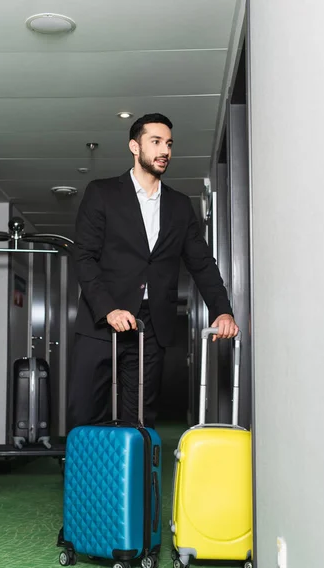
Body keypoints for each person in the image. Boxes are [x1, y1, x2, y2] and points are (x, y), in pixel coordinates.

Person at [67, 113, 238, 430]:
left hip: (151, 325)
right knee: (85, 413)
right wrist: (108, 309)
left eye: (169, 144)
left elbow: (201, 263)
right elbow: (84, 257)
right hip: (100, 322)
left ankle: (138, 480)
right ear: (135, 146)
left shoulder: (179, 205)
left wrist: (222, 310)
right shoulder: (102, 193)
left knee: (141, 419)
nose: (165, 151)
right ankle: (82, 479)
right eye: (156, 142)